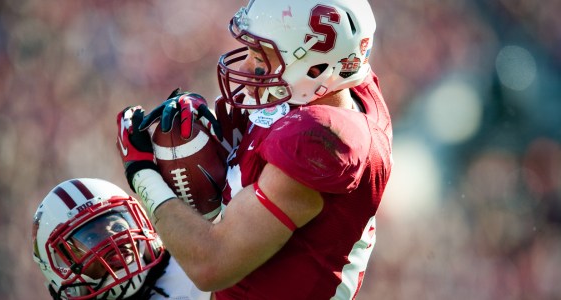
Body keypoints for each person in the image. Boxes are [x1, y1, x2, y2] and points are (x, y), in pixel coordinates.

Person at [116, 0, 393, 299]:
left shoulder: (321, 140)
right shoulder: (322, 91)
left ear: (315, 68)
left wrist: (143, 175)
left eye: (261, 55)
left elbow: (210, 264)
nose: (247, 66)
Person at [31, 177, 211, 300]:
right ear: (59, 267)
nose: (113, 241)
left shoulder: (194, 268)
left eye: (117, 227)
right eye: (91, 238)